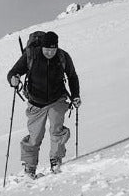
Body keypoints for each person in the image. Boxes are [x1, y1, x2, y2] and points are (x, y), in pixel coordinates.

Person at [6, 30, 81, 178]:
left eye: (52, 50)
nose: (49, 53)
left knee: (56, 130)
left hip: (57, 99)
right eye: (47, 49)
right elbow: (14, 72)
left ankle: (56, 160)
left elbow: (72, 76)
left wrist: (75, 96)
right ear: (42, 47)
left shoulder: (62, 56)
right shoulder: (31, 55)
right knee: (35, 137)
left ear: (57, 48)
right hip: (36, 102)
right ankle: (30, 167)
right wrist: (13, 79)